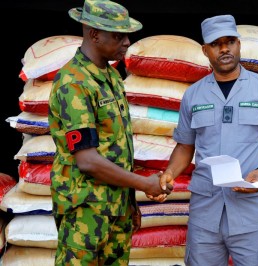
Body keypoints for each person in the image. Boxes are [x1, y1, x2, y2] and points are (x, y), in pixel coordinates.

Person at [155, 14, 258, 266]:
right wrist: (169, 173)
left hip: (250, 212)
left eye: (230, 41)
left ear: (239, 45)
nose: (224, 49)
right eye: (215, 43)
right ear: (205, 50)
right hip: (205, 212)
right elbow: (185, 146)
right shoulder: (193, 95)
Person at [48, 1, 172, 265]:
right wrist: (144, 184)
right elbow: (88, 161)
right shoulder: (74, 82)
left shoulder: (112, 77)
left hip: (116, 208)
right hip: (86, 211)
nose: (127, 42)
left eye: (127, 35)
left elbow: (118, 148)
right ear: (94, 34)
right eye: (118, 35)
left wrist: (131, 203)